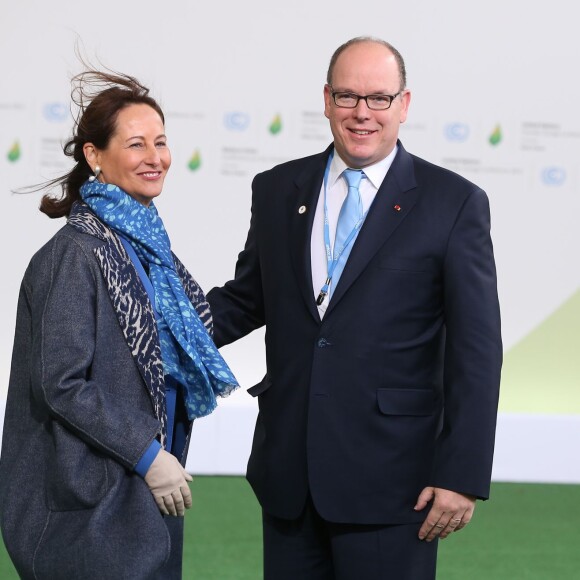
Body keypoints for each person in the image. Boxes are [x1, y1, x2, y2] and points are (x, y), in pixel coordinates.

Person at [207, 36, 502, 579]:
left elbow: (477, 352)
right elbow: (248, 298)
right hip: (289, 473)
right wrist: (154, 328)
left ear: (404, 105)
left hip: (396, 483)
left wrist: (461, 473)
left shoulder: (453, 203)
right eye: (347, 96)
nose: (361, 113)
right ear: (325, 100)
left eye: (378, 98)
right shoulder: (276, 189)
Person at [0, 69, 237, 579]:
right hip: (93, 509)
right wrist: (149, 456)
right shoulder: (75, 255)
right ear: (94, 156)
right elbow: (62, 384)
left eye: (161, 142)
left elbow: (191, 334)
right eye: (136, 144)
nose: (155, 157)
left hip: (144, 495)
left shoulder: (148, 252)